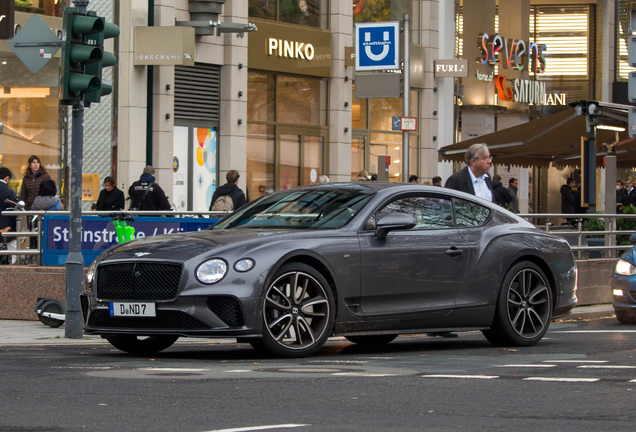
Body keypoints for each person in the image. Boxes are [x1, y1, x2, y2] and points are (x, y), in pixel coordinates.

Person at [0, 167, 19, 264]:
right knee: (14, 256)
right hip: (7, 227)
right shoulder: (9, 192)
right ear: (7, 178)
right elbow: (14, 212)